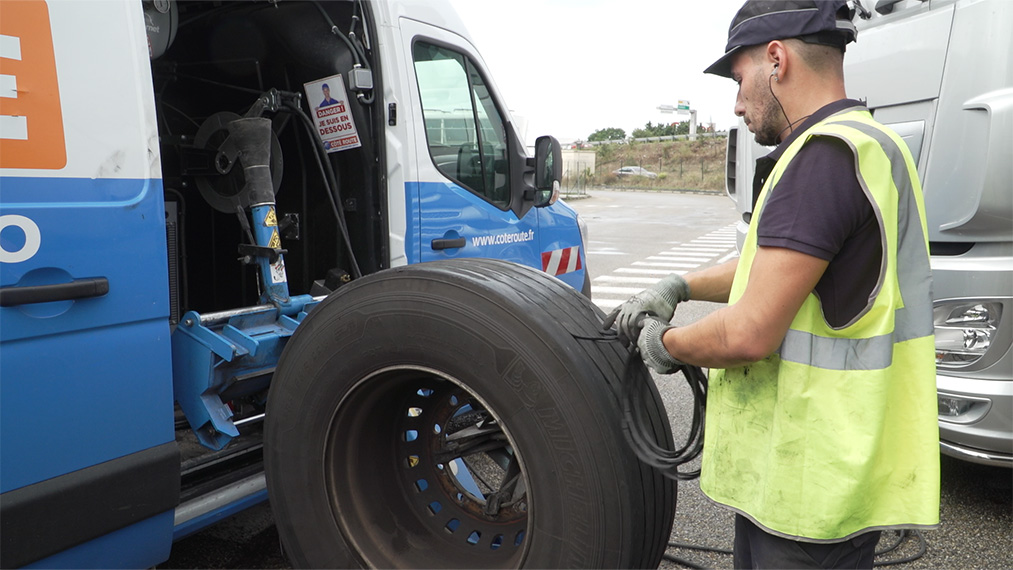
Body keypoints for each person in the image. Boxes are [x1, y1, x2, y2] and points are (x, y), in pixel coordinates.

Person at [607, 1, 939, 568]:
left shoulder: (822, 160)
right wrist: (679, 284)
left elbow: (750, 332)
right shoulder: (870, 143)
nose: (737, 105)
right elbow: (786, 271)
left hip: (807, 489)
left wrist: (663, 344)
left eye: (739, 81)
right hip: (843, 466)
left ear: (777, 60)